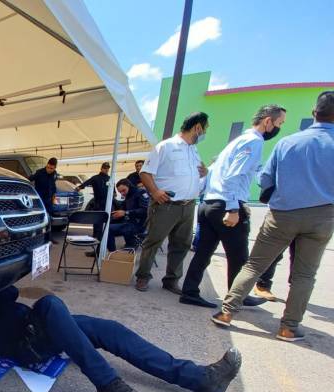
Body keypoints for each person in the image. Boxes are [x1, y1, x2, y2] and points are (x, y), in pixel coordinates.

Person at [0, 286, 242, 392]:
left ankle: (200, 379)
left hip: (39, 325)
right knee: (50, 303)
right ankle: (108, 385)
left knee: (110, 329)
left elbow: (10, 293)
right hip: (28, 344)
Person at [212, 91, 334, 342]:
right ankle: (288, 327)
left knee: (254, 264)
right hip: (322, 216)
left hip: (282, 213)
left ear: (314, 112)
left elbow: (265, 179)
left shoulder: (288, 142)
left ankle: (226, 312)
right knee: (304, 275)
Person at [180, 105, 287, 308]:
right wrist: (233, 208)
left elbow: (213, 173)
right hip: (226, 204)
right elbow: (233, 176)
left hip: (210, 203)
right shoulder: (253, 141)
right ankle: (238, 297)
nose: (279, 128)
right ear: (268, 121)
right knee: (239, 256)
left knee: (203, 253)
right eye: (279, 123)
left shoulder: (237, 141)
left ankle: (189, 292)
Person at [135, 113, 209, 293]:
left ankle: (171, 280)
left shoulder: (193, 150)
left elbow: (195, 172)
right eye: (205, 129)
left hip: (188, 205)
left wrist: (204, 172)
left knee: (182, 244)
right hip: (167, 205)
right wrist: (155, 192)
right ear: (197, 127)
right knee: (153, 241)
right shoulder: (166, 146)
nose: (205, 133)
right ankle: (143, 277)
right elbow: (145, 173)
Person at [107, 179, 148, 251]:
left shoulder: (140, 192)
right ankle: (100, 251)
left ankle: (112, 253)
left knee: (108, 229)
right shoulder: (128, 195)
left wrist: (126, 213)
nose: (122, 193)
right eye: (120, 192)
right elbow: (123, 208)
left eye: (123, 190)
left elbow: (145, 210)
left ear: (129, 186)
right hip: (130, 222)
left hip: (139, 225)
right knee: (105, 226)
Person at [29, 157, 59, 243]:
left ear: (55, 168)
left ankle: (49, 237)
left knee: (49, 219)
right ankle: (36, 239)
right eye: (48, 167)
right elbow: (29, 179)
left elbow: (53, 186)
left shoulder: (55, 174)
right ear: (47, 165)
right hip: (39, 200)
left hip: (49, 200)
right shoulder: (39, 172)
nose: (49, 170)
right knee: (38, 219)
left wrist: (54, 198)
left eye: (51, 168)